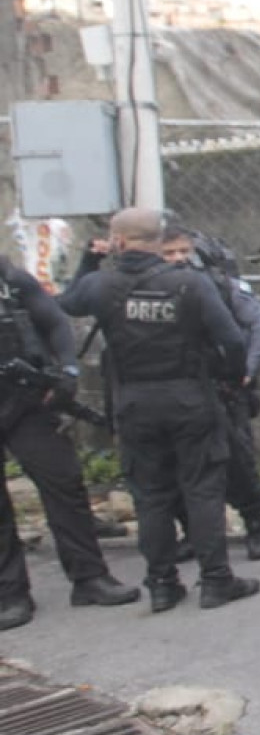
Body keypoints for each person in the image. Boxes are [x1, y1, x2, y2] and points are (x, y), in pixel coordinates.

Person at [58, 208, 258, 612]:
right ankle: (217, 580)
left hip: (134, 401)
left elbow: (67, 303)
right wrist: (232, 379)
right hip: (188, 396)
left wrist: (89, 260)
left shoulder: (101, 285)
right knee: (202, 488)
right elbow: (233, 341)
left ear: (117, 241)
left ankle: (162, 584)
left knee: (151, 495)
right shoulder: (190, 284)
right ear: (158, 239)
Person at [0, 253, 141, 630]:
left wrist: (67, 371)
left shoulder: (11, 280)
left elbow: (55, 321)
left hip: (25, 402)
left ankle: (90, 578)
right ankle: (10, 595)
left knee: (64, 485)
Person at [160, 221, 260, 561]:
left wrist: (247, 372)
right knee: (175, 468)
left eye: (184, 251)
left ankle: (255, 524)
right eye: (169, 253)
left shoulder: (219, 285)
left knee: (238, 463)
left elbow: (257, 323)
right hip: (174, 392)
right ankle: (195, 533)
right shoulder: (148, 289)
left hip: (222, 389)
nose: (178, 259)